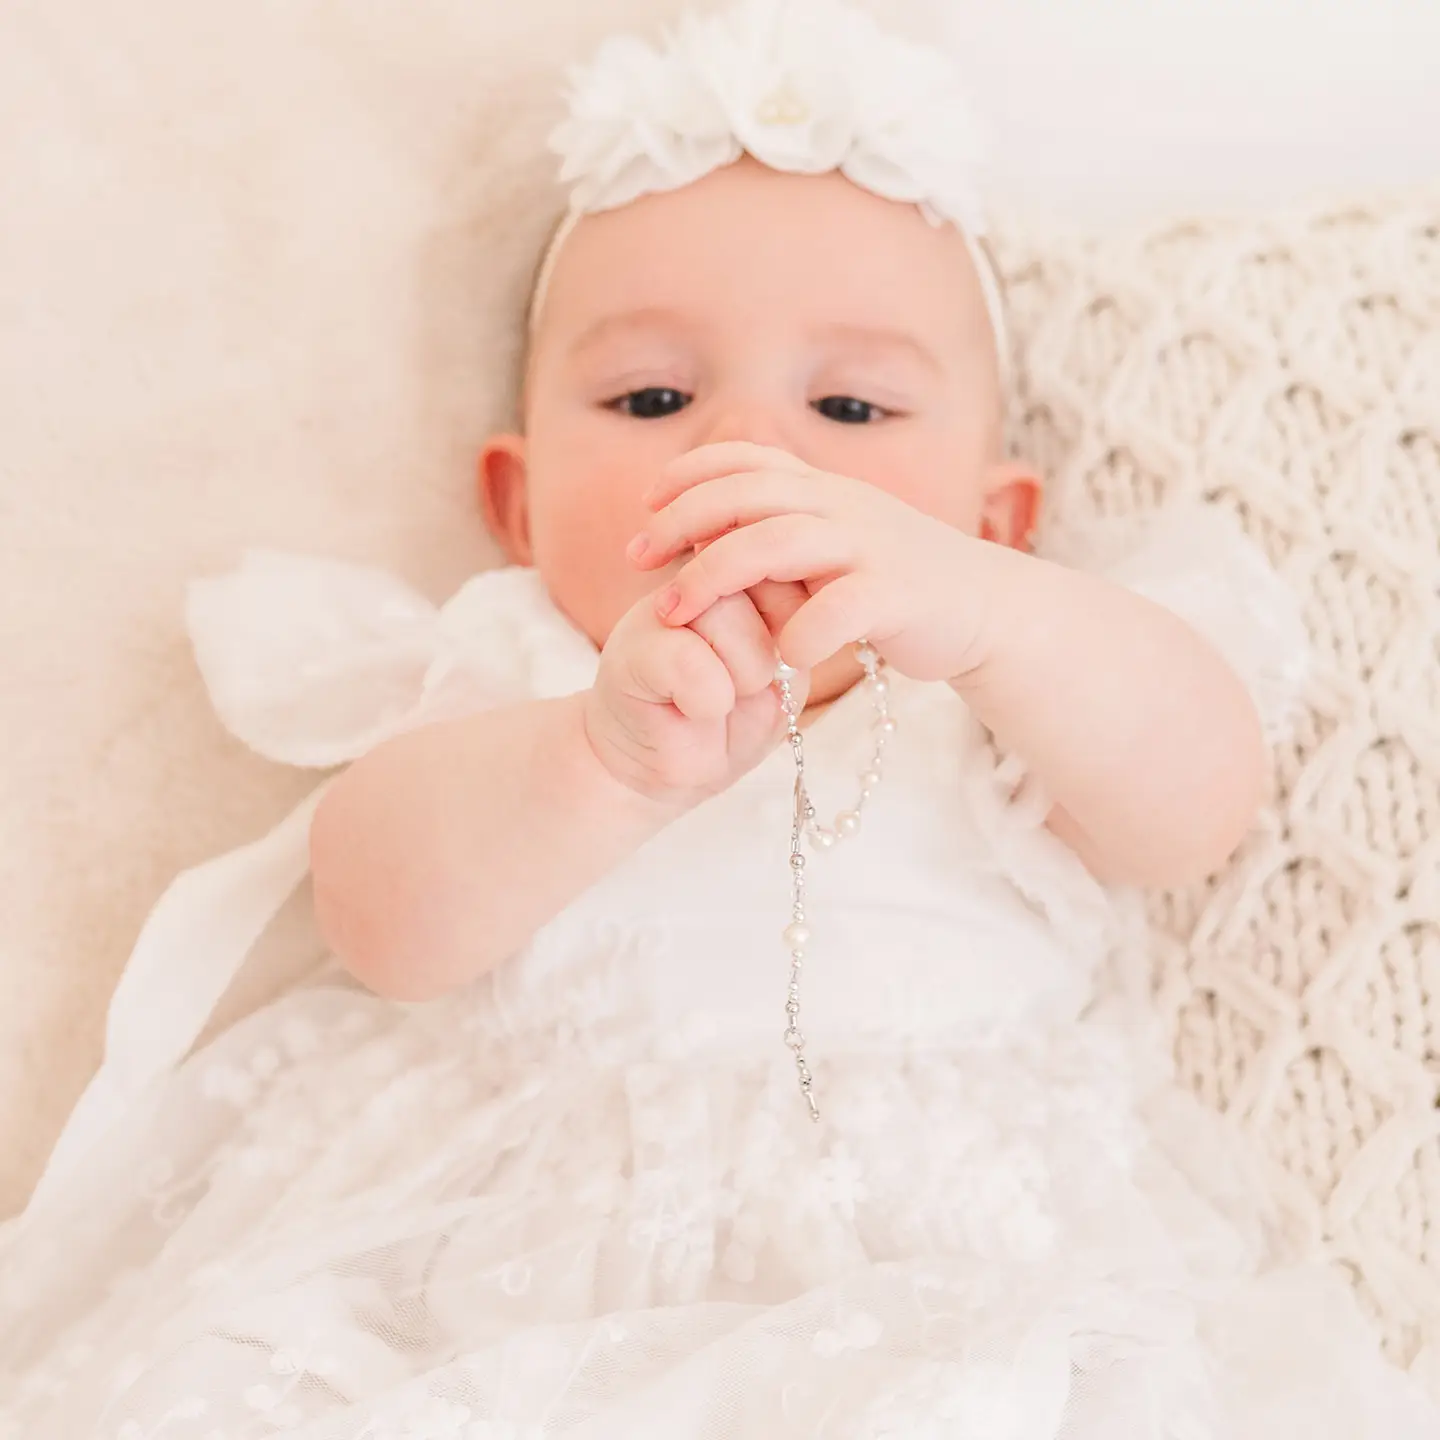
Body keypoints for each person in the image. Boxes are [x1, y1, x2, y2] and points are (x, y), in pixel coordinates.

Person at [2, 1, 1432, 1434]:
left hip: (963, 1262)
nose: (746, 445)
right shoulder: (527, 672)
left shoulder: (992, 690)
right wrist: (595, 764)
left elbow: (1194, 810)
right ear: (518, 504)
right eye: (652, 395)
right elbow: (380, 921)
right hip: (538, 1285)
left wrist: (998, 617)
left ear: (998, 520)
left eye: (853, 409)